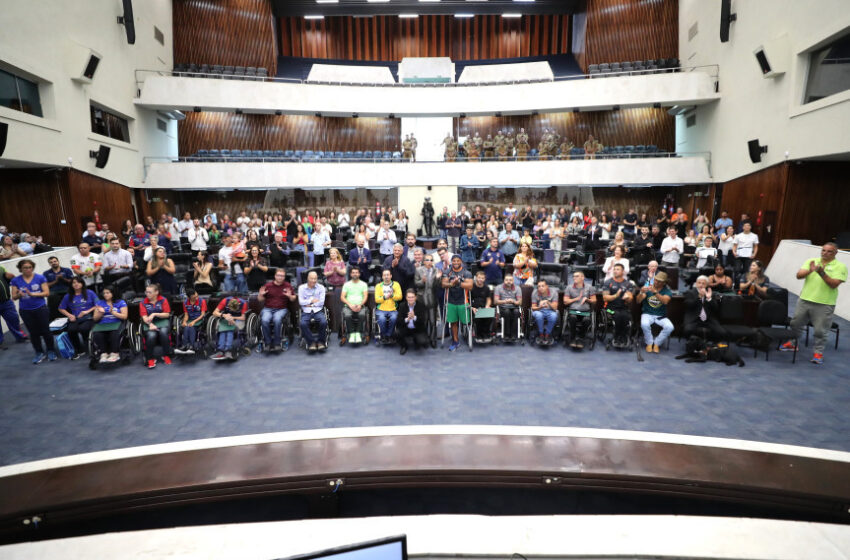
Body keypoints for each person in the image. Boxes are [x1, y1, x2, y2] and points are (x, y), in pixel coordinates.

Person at [782, 242, 847, 364]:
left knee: (820, 331)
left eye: (829, 251)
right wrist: (810, 271)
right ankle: (792, 343)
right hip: (805, 299)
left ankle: (818, 353)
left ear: (835, 253)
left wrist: (821, 272)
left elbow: (834, 284)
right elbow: (798, 275)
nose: (825, 253)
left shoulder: (840, 266)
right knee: (795, 324)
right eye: (823, 250)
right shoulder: (812, 261)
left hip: (824, 303)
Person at [10, 259, 55, 363]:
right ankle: (39, 352)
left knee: (46, 331)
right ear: (20, 269)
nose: (28, 269)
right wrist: (19, 294)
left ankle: (51, 350)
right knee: (33, 333)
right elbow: (14, 297)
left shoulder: (40, 278)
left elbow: (46, 293)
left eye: (30, 267)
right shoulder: (16, 280)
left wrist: (32, 294)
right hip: (25, 310)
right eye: (25, 268)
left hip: (41, 308)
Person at [58, 277, 98, 359]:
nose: (76, 284)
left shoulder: (90, 293)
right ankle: (79, 350)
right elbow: (61, 308)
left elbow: (98, 304)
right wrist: (69, 315)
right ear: (71, 285)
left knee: (84, 328)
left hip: (88, 317)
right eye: (74, 283)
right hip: (75, 318)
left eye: (78, 282)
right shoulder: (68, 296)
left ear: (82, 283)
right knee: (71, 330)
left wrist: (87, 311)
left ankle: (91, 347)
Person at [258, 268, 296, 352]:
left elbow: (293, 299)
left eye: (282, 276)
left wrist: (290, 296)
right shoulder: (268, 285)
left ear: (284, 277)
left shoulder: (287, 285)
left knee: (277, 319)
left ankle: (277, 343)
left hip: (281, 309)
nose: (280, 277)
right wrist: (261, 295)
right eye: (278, 275)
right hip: (268, 308)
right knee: (264, 320)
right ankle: (267, 342)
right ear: (275, 276)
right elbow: (260, 300)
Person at [441, 255, 473, 351]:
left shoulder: (466, 273)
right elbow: (443, 284)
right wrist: (452, 284)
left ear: (461, 261)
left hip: (463, 301)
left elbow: (470, 286)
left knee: (466, 322)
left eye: (458, 261)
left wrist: (459, 283)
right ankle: (455, 340)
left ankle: (468, 337)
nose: (456, 262)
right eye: (454, 261)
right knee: (453, 322)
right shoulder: (447, 272)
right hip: (451, 301)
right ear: (451, 262)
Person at [637, 270, 673, 353]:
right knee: (644, 324)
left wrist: (655, 292)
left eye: (659, 281)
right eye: (656, 280)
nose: (656, 282)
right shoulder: (648, 287)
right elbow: (638, 301)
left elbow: (665, 301)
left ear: (663, 283)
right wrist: (641, 292)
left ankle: (657, 343)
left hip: (660, 315)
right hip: (647, 313)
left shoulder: (667, 291)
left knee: (670, 327)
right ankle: (649, 343)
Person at [91, 285, 128, 363]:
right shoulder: (99, 303)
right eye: (104, 293)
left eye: (107, 293)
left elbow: (124, 316)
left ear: (113, 293)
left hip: (116, 323)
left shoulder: (120, 302)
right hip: (103, 324)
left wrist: (113, 312)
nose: (105, 295)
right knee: (97, 334)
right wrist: (101, 313)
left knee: (114, 333)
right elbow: (95, 318)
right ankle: (104, 353)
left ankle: (115, 353)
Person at [138, 283, 172, 368]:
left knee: (163, 332)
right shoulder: (143, 303)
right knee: (151, 335)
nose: (147, 294)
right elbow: (144, 317)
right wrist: (150, 324)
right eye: (146, 292)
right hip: (149, 323)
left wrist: (154, 314)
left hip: (162, 321)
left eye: (149, 292)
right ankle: (150, 358)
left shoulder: (163, 300)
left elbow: (167, 314)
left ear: (156, 292)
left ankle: (166, 355)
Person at [683, 275, 724, 341]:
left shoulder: (711, 293)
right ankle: (691, 345)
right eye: (699, 283)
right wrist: (699, 297)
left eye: (703, 283)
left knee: (721, 332)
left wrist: (709, 298)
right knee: (688, 330)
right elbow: (689, 306)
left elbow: (715, 308)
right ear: (696, 283)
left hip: (708, 319)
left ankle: (711, 347)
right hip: (694, 319)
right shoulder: (690, 293)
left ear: (707, 285)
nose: (701, 285)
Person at [602, 263, 634, 346]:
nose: (615, 271)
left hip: (623, 308)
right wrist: (616, 295)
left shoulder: (628, 284)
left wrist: (628, 298)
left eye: (617, 269)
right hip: (609, 309)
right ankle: (616, 337)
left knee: (626, 316)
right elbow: (605, 298)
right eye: (614, 269)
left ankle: (623, 337)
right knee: (617, 315)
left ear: (623, 271)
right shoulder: (608, 282)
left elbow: (630, 298)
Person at [563, 271, 596, 349]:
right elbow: (565, 302)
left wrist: (587, 299)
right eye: (574, 276)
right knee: (572, 318)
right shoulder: (569, 287)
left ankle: (581, 338)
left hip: (585, 312)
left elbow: (594, 300)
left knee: (587, 320)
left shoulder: (590, 287)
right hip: (574, 311)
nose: (574, 278)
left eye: (577, 276)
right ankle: (573, 338)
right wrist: (576, 299)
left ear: (582, 278)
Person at [211, 294, 248, 360]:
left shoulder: (243, 303)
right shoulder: (225, 301)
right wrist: (224, 315)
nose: (232, 310)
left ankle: (228, 350)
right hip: (226, 318)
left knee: (229, 331)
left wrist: (232, 318)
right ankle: (221, 350)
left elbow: (243, 318)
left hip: (238, 320)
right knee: (222, 331)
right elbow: (214, 312)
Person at [298, 270, 327, 353]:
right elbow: (301, 302)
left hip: (318, 310)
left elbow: (321, 302)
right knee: (302, 324)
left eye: (315, 278)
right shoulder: (301, 288)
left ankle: (321, 342)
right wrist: (312, 300)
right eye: (311, 278)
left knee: (323, 322)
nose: (313, 280)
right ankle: (311, 342)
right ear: (307, 278)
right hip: (306, 311)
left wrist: (310, 304)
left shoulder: (321, 287)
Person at [0, 263, 27, 348]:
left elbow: (9, 279)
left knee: (14, 320)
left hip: (6, 302)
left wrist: (12, 278)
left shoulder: (1, 268)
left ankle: (20, 337)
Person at [340, 266, 368, 345]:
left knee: (362, 314)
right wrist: (350, 305)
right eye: (353, 273)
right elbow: (342, 297)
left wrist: (360, 305)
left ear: (359, 274)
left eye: (356, 272)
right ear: (350, 274)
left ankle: (358, 332)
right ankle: (352, 333)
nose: (355, 274)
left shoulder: (363, 284)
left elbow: (365, 297)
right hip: (348, 306)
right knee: (347, 315)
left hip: (360, 305)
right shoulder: (346, 284)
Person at [175, 288, 207, 354]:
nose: (196, 298)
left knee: (191, 327)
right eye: (194, 297)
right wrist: (184, 321)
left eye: (197, 296)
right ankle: (184, 346)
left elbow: (202, 314)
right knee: (186, 327)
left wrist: (194, 321)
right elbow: (186, 314)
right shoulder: (185, 303)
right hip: (190, 319)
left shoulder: (202, 301)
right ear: (189, 297)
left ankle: (191, 347)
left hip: (199, 319)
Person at [397, 289, 429, 355]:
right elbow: (399, 320)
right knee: (396, 333)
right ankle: (404, 346)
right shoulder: (402, 306)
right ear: (406, 297)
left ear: (415, 297)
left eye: (412, 297)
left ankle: (416, 341)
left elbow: (423, 320)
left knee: (422, 341)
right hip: (406, 328)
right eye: (409, 297)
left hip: (417, 329)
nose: (410, 299)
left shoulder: (421, 306)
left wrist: (414, 317)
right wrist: (407, 319)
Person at [374, 269, 402, 343]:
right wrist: (384, 297)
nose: (386, 276)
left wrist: (392, 295)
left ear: (391, 276)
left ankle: (388, 335)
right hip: (381, 309)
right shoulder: (378, 286)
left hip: (393, 309)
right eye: (384, 275)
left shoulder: (396, 284)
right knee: (382, 319)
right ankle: (384, 335)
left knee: (394, 318)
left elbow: (400, 297)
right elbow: (377, 299)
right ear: (382, 277)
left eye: (388, 275)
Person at [415, 252, 441, 332]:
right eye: (427, 260)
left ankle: (433, 340)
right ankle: (423, 339)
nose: (429, 261)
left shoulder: (436, 270)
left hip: (432, 298)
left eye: (431, 260)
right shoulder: (418, 270)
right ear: (423, 261)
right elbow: (416, 284)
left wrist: (437, 279)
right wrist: (422, 282)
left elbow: (437, 286)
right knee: (423, 320)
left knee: (433, 321)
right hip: (422, 298)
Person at [531, 279, 559, 343]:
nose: (540, 288)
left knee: (554, 316)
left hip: (550, 310)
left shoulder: (554, 292)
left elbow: (555, 308)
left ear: (547, 286)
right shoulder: (535, 293)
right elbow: (533, 308)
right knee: (539, 315)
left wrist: (548, 302)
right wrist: (540, 307)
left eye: (542, 286)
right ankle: (541, 334)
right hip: (539, 310)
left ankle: (547, 334)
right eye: (539, 286)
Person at [470, 270, 494, 342]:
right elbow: (468, 300)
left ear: (485, 279)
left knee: (489, 317)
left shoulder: (486, 288)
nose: (480, 279)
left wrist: (487, 306)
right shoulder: (471, 287)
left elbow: (489, 299)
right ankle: (479, 335)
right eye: (479, 278)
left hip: (483, 307)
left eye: (482, 278)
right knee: (477, 319)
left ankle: (486, 334)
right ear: (476, 278)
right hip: (474, 308)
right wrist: (472, 308)